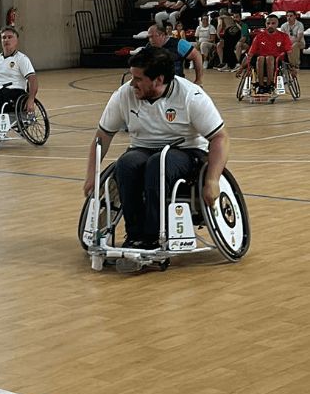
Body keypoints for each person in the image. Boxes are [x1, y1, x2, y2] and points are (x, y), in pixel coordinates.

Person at [84, 47, 229, 249]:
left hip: (187, 151)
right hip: (143, 148)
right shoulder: (125, 94)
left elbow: (220, 138)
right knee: (125, 163)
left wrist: (212, 180)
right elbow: (103, 135)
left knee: (158, 164)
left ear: (158, 80)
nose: (132, 83)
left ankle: (153, 235)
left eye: (138, 79)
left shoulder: (191, 96)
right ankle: (135, 235)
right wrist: (92, 175)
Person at [242, 14, 292, 93]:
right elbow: (250, 53)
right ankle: (261, 86)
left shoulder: (284, 36)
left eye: (273, 23)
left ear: (277, 24)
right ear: (265, 24)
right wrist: (242, 68)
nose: (270, 25)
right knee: (260, 58)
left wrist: (293, 67)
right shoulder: (259, 36)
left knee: (269, 58)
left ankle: (269, 85)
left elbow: (289, 52)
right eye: (268, 23)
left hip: (276, 60)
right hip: (260, 60)